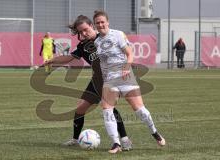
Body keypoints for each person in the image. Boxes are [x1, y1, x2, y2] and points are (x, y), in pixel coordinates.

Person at [44, 15, 132, 151]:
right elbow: (69, 58)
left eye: (85, 29)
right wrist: (52, 60)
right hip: (96, 80)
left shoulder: (106, 38)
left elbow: (125, 51)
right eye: (80, 32)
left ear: (92, 25)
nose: (84, 33)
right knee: (80, 108)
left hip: (111, 78)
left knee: (109, 108)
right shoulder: (83, 45)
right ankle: (75, 139)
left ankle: (125, 140)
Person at [93, 10, 165, 154]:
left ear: (107, 22)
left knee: (140, 110)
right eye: (97, 23)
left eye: (102, 21)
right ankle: (116, 143)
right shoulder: (97, 42)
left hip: (125, 75)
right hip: (110, 79)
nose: (100, 24)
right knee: (107, 111)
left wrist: (127, 66)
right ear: (95, 25)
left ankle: (155, 132)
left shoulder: (118, 34)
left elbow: (130, 53)